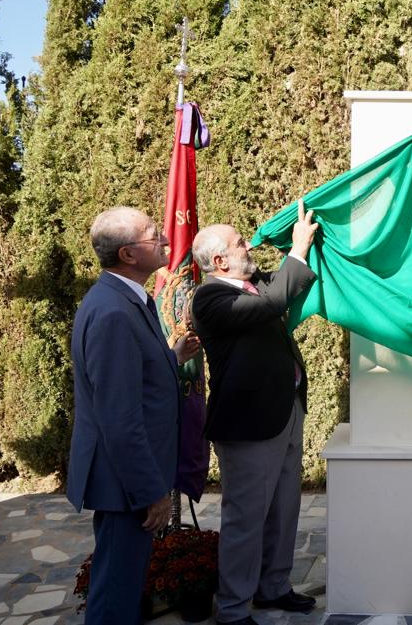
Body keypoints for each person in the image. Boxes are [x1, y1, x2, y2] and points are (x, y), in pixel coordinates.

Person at [67, 207, 201, 625]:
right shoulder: (113, 313)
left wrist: (170, 358)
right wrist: (150, 492)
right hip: (127, 483)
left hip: (126, 478)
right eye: (152, 233)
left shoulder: (124, 300)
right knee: (116, 593)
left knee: (121, 583)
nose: (164, 238)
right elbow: (119, 418)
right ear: (128, 254)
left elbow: (132, 380)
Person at [190, 199, 319, 625]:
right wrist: (296, 250)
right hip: (248, 425)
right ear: (220, 259)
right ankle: (231, 609)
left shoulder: (252, 283)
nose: (249, 246)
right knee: (246, 519)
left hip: (284, 413)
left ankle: (274, 588)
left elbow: (281, 282)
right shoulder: (209, 298)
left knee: (284, 509)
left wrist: (290, 237)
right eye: (240, 242)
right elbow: (275, 299)